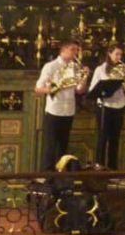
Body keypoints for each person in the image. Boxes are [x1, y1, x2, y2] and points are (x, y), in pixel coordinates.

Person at [35, 40, 86, 170]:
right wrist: (54, 88)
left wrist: (85, 77)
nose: (75, 53)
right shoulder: (51, 66)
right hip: (54, 111)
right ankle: (47, 177)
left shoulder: (75, 67)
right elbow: (38, 88)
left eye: (77, 50)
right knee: (50, 147)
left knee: (63, 147)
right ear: (63, 50)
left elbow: (79, 90)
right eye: (73, 50)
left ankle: (61, 177)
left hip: (68, 111)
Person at [89, 44, 125, 168]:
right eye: (116, 54)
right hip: (105, 107)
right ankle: (99, 167)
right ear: (109, 54)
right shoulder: (100, 70)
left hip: (119, 106)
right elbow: (93, 89)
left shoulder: (123, 69)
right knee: (103, 138)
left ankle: (113, 168)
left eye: (120, 54)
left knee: (115, 139)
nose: (119, 57)